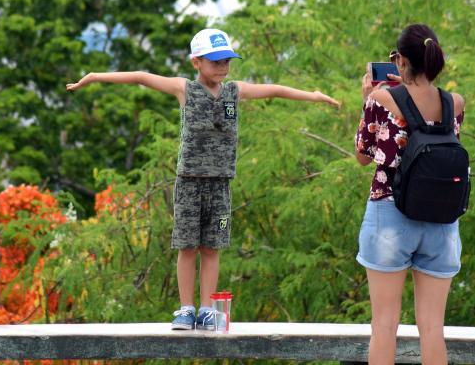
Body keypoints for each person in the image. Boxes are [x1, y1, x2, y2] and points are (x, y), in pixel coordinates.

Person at [67, 28, 341, 330]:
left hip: (220, 184)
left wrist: (314, 96)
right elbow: (141, 77)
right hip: (189, 183)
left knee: (212, 246)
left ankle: (208, 309)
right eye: (215, 62)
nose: (222, 68)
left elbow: (275, 90)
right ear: (196, 62)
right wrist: (93, 76)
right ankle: (186, 309)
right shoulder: (184, 88)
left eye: (227, 62)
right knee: (187, 246)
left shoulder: (235, 92)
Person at [354, 23, 465, 364]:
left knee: (384, 325)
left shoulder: (381, 99)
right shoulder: (455, 103)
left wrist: (366, 101)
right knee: (432, 328)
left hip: (391, 213)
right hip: (442, 221)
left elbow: (362, 155)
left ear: (400, 61)